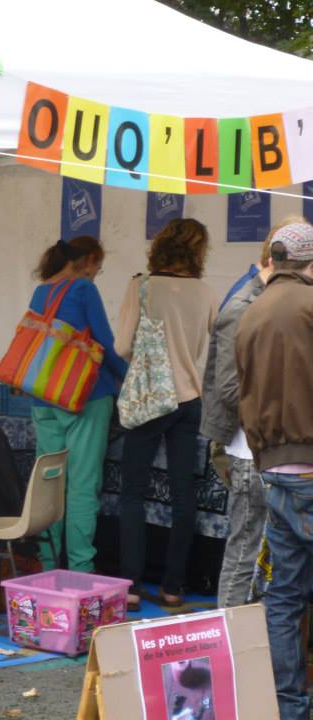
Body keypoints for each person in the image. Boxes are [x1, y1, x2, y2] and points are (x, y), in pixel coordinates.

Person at [114, 218, 218, 609]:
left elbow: (122, 346)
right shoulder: (206, 293)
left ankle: (131, 587)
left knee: (132, 494)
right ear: (198, 251)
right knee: (182, 494)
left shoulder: (140, 286)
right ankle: (174, 586)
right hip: (189, 399)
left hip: (147, 399)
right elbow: (217, 345)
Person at [235, 221, 313, 720]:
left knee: (283, 597)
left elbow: (236, 390)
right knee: (285, 596)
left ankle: (289, 708)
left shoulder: (249, 312)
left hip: (275, 471)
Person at [200, 219, 295, 608]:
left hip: (273, 451)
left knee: (273, 555)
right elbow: (227, 389)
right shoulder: (244, 306)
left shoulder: (272, 301)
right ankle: (232, 645)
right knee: (245, 550)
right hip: (251, 452)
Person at [25, 236, 127, 573]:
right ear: (89, 260)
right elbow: (103, 342)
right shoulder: (83, 289)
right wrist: (126, 377)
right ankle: (82, 569)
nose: (98, 273)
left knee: (50, 483)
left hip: (43, 394)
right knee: (83, 486)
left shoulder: (43, 290)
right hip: (84, 395)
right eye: (98, 266)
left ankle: (47, 564)